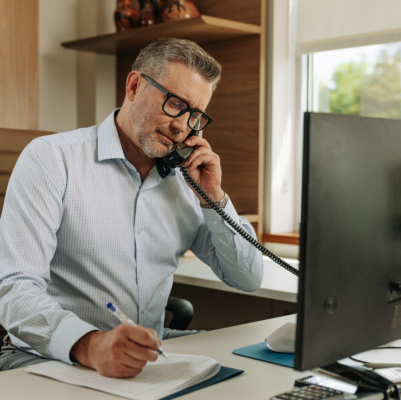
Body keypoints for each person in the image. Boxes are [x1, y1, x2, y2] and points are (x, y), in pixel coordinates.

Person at [0, 38, 263, 377]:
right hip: (49, 357)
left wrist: (214, 199)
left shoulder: (189, 182)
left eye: (195, 115)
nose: (182, 126)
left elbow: (248, 277)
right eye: (175, 104)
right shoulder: (51, 159)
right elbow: (13, 288)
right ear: (135, 86)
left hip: (147, 357)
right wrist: (90, 345)